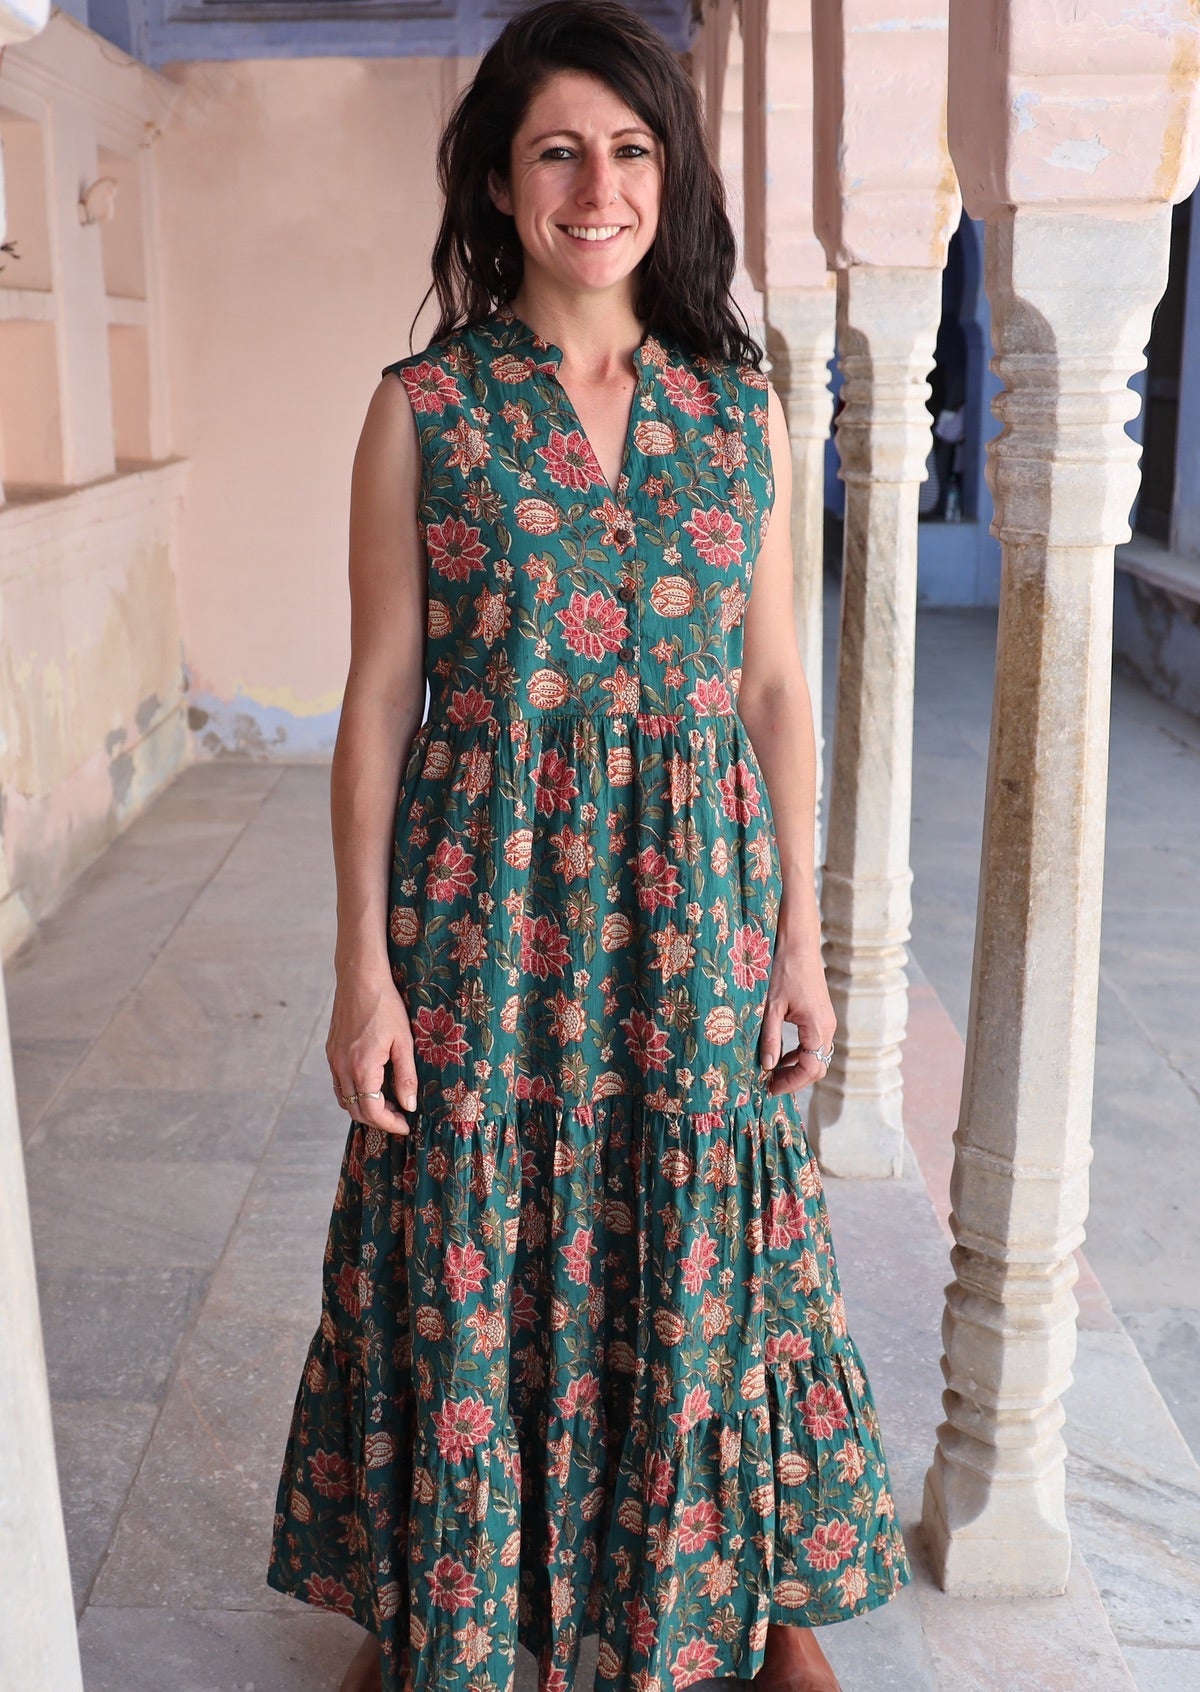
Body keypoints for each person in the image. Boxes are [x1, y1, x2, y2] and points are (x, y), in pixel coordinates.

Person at [266, 5, 911, 1690]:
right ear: (499, 181)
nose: (597, 186)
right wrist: (360, 969)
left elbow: (774, 690)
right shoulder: (426, 410)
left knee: (700, 1231)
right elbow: (381, 696)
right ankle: (444, 1605)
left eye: (630, 151)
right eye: (557, 150)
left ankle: (724, 1603)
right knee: (469, 1241)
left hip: (693, 912)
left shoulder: (736, 410)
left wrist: (801, 944)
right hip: (482, 910)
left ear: (670, 177)